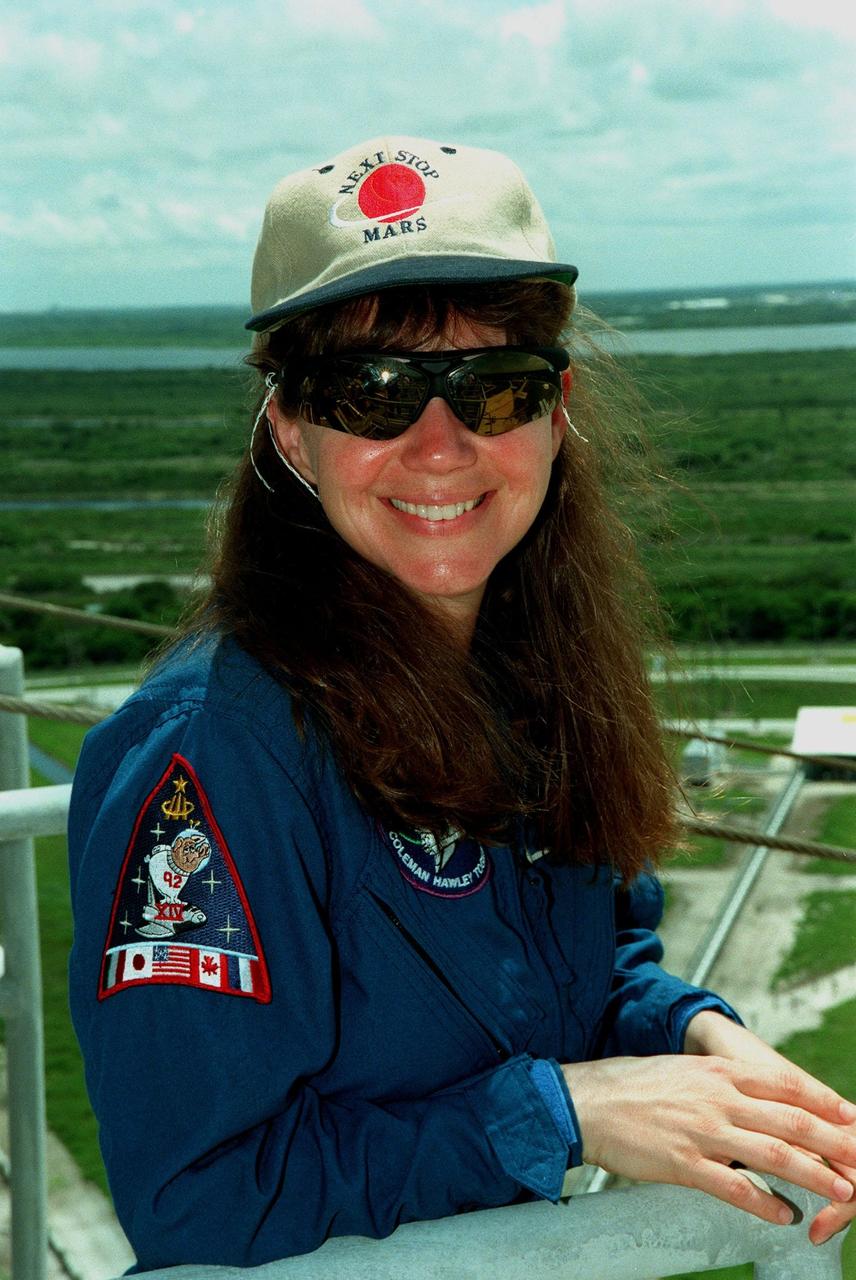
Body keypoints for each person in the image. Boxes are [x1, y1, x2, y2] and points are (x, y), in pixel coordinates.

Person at [67, 134, 856, 1271]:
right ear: (291, 429)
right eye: (372, 393)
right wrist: (560, 1114)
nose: (439, 445)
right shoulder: (213, 757)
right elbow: (199, 1195)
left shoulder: (541, 681)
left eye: (494, 387)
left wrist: (690, 1031)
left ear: (555, 410)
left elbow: (581, 967)